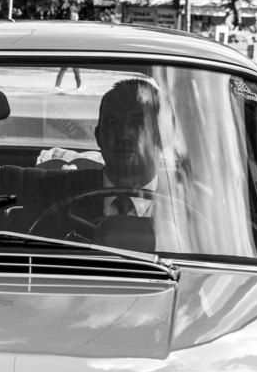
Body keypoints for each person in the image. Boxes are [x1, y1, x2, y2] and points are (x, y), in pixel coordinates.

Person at [23, 76, 170, 245]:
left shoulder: (192, 206)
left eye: (138, 124)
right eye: (113, 123)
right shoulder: (50, 196)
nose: (123, 134)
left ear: (162, 138)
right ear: (98, 136)